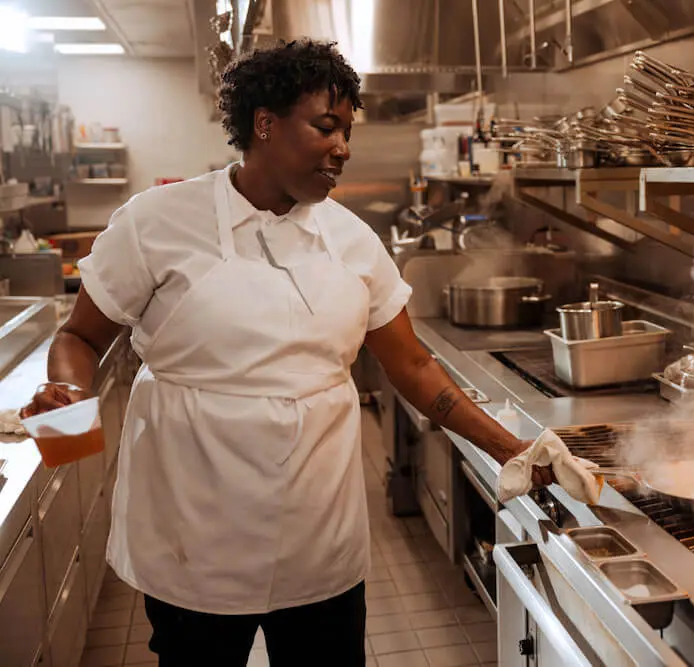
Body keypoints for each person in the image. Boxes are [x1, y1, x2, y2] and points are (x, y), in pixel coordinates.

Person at [21, 40, 552, 667]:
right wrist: (70, 393)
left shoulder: (352, 240)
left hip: (316, 536)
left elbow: (410, 364)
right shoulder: (156, 223)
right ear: (264, 124)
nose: (343, 148)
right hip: (194, 533)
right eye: (326, 126)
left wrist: (509, 450)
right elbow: (80, 337)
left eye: (348, 131)